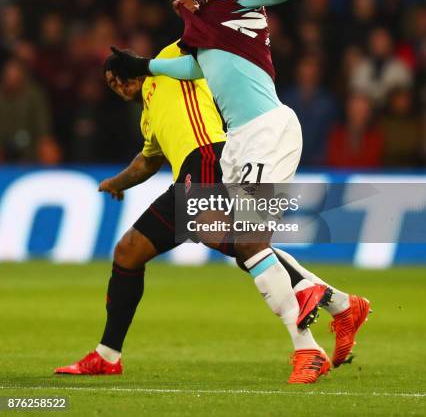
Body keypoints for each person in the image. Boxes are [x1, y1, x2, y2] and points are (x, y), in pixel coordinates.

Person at [111, 0, 370, 382]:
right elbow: (197, 68)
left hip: (269, 129)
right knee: (236, 244)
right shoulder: (204, 22)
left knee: (248, 241)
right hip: (240, 143)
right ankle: (341, 305)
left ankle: (306, 349)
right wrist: (147, 66)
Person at [55, 41, 333, 378]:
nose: (119, 85)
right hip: (183, 177)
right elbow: (147, 161)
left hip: (208, 156)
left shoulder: (168, 62)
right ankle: (107, 355)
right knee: (128, 251)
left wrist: (188, 15)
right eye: (111, 83)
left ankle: (308, 291)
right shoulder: (148, 118)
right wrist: (117, 183)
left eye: (120, 75)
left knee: (230, 239)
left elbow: (198, 37)